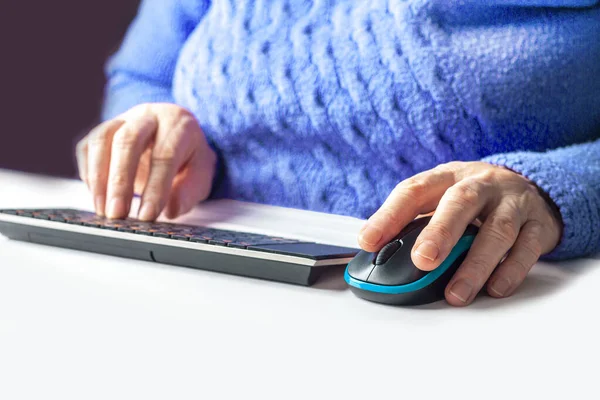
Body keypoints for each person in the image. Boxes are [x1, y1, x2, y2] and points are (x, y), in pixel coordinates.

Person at [75, 0, 600, 306]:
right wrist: (155, 122)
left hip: (480, 312)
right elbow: (142, 74)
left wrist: (551, 185)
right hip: (199, 278)